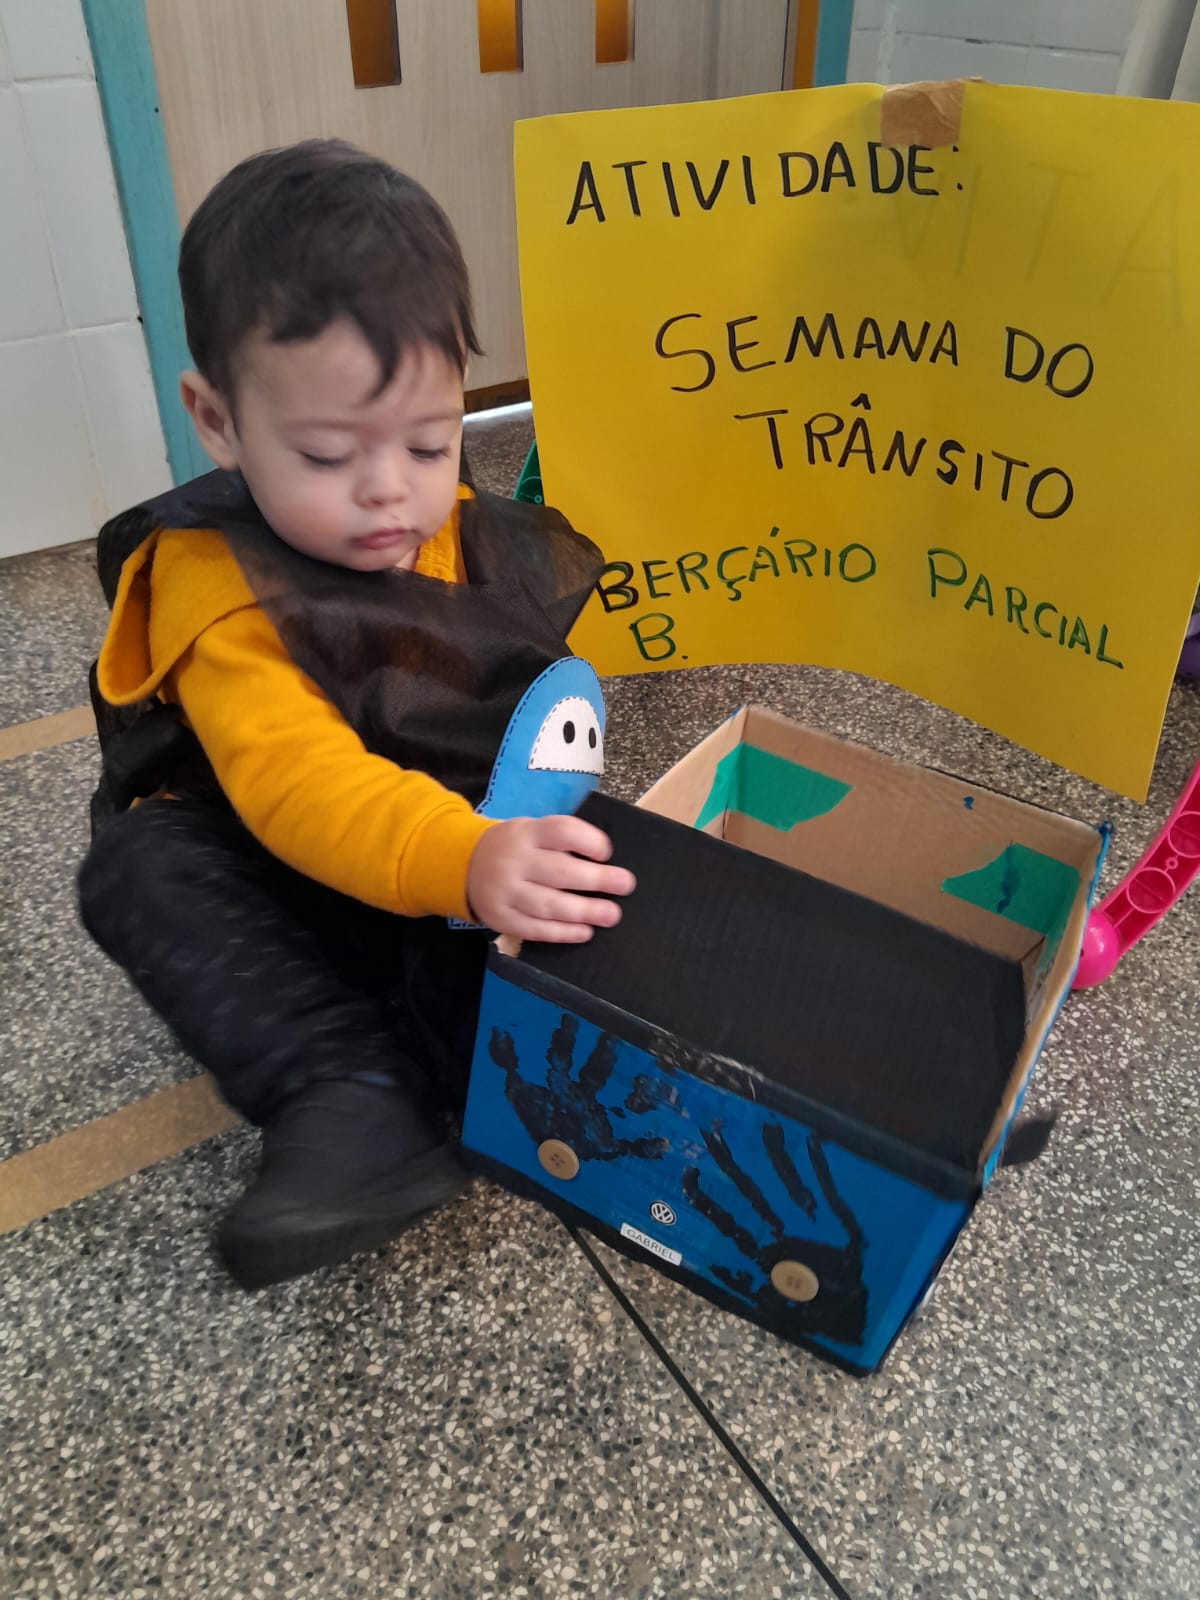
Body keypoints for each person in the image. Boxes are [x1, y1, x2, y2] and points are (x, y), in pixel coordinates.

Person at [78, 139, 634, 1291]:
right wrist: (465, 859)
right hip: (298, 881)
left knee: (586, 873)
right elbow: (301, 786)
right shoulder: (219, 586)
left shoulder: (457, 528)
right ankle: (351, 1088)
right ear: (217, 420)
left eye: (430, 440)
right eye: (329, 453)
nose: (390, 487)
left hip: (444, 874)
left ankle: (532, 1049)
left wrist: (515, 850)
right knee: (140, 867)